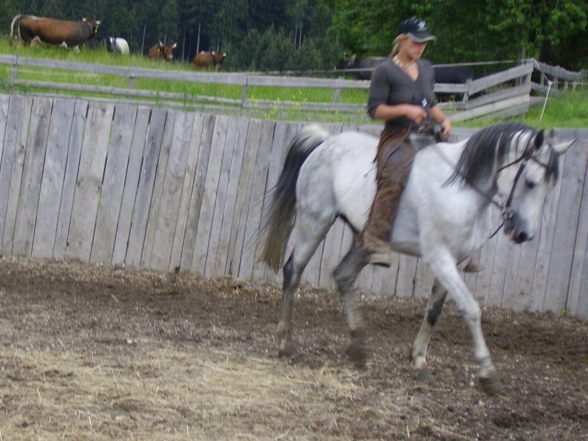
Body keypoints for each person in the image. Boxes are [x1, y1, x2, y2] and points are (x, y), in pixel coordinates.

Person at [361, 17, 482, 272]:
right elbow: (374, 110)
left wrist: (444, 119)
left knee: (457, 173)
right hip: (397, 136)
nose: (421, 47)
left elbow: (432, 104)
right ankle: (376, 239)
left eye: (424, 43)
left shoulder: (427, 68)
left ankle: (458, 244)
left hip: (426, 134)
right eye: (416, 42)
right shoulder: (385, 70)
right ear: (402, 40)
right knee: (394, 176)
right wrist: (404, 109)